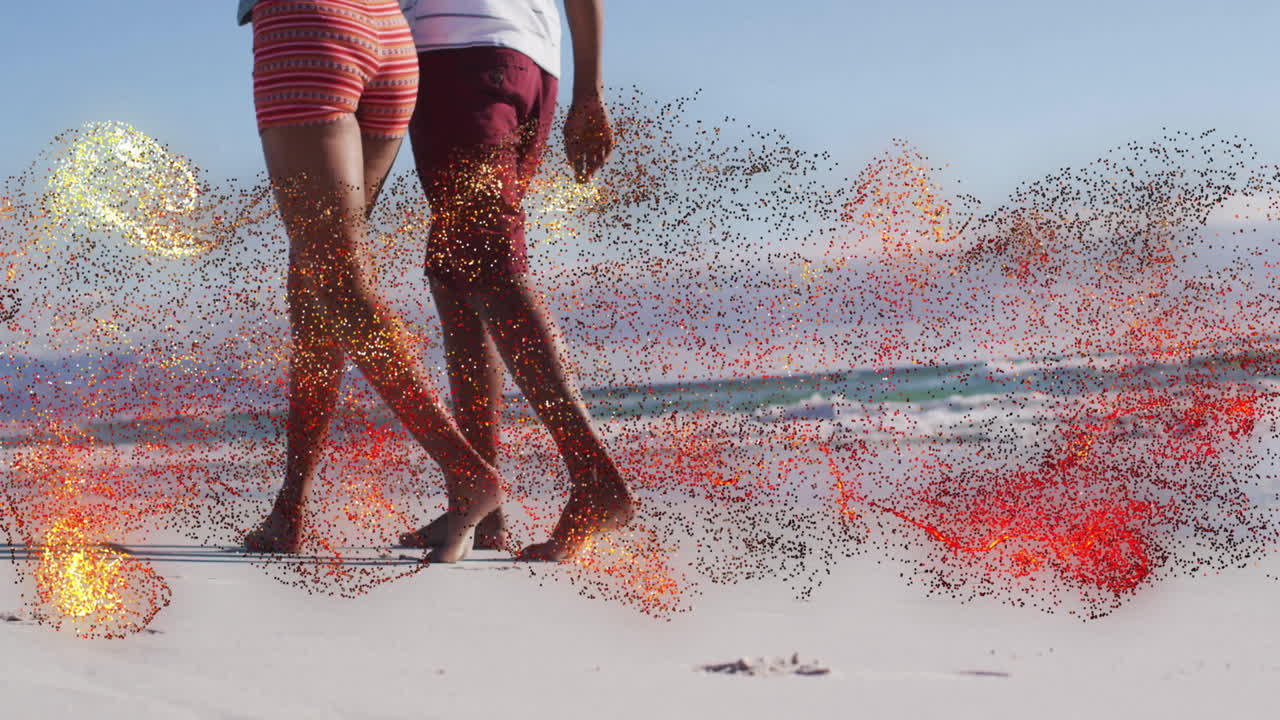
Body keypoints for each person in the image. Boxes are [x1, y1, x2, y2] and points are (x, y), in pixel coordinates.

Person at [235, 0, 506, 563]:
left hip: (307, 28)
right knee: (318, 285)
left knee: (335, 278)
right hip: (388, 35)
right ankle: (292, 509)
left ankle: (466, 473)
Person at [393, 0, 636, 561]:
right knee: (456, 273)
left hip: (464, 55)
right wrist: (587, 93)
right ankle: (481, 502)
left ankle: (594, 476)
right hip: (524, 62)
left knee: (486, 261)